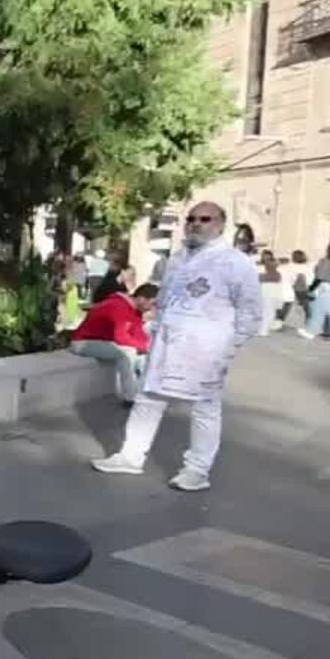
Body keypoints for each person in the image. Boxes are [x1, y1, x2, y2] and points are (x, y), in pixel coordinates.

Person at [91, 202, 261, 491]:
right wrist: (154, 331)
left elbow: (251, 309)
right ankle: (130, 456)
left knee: (205, 407)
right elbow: (165, 298)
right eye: (191, 219)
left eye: (205, 219)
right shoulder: (177, 258)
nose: (196, 223)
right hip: (167, 344)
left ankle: (197, 470)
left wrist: (230, 346)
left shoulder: (235, 262)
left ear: (220, 224)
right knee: (148, 398)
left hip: (207, 350)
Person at [69, 279, 158, 403]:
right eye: (152, 304)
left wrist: (149, 347)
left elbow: (138, 335)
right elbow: (120, 337)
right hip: (83, 342)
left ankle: (147, 392)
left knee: (142, 357)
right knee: (127, 353)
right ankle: (130, 397)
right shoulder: (118, 306)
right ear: (142, 298)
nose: (152, 309)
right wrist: (144, 347)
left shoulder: (135, 311)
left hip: (104, 343)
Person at [256, 249, 286, 336]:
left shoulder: (275, 270)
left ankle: (264, 330)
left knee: (267, 310)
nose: (265, 257)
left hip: (269, 292)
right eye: (264, 255)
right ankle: (264, 329)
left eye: (267, 256)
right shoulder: (262, 266)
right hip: (265, 291)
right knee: (267, 310)